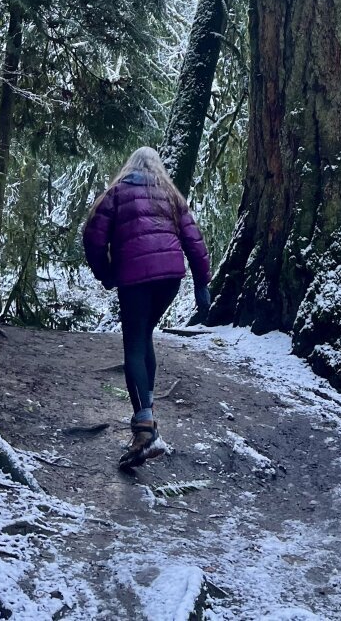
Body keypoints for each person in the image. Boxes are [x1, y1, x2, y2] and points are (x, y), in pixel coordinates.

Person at [83, 147, 211, 470]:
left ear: (130, 165)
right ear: (157, 167)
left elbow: (93, 236)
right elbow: (194, 239)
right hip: (169, 279)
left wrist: (107, 273)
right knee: (144, 338)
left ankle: (144, 430)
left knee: (134, 347)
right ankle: (148, 420)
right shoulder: (169, 194)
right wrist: (201, 284)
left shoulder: (116, 192)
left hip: (135, 280)